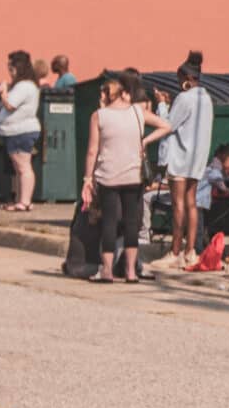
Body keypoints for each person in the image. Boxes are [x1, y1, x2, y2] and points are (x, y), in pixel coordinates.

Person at [81, 70, 172, 283]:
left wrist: (87, 179)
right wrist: (145, 141)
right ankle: (131, 271)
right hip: (133, 176)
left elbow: (92, 150)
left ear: (106, 94)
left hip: (108, 176)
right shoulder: (137, 112)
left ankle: (107, 271)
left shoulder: (99, 116)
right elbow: (166, 125)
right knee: (133, 223)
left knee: (110, 223)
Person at [159, 62, 215, 265]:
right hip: (198, 157)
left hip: (181, 156)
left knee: (178, 204)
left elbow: (168, 125)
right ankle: (190, 251)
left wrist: (162, 105)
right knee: (192, 203)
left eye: (179, 79)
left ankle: (175, 251)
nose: (179, 83)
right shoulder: (207, 98)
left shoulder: (184, 98)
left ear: (187, 79)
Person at [0, 51, 41, 211]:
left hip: (20, 131)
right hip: (17, 130)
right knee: (20, 168)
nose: (9, 70)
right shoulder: (28, 85)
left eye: (11, 66)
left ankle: (25, 201)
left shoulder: (24, 86)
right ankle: (21, 200)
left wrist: (3, 92)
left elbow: (10, 105)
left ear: (18, 67)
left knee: (23, 167)